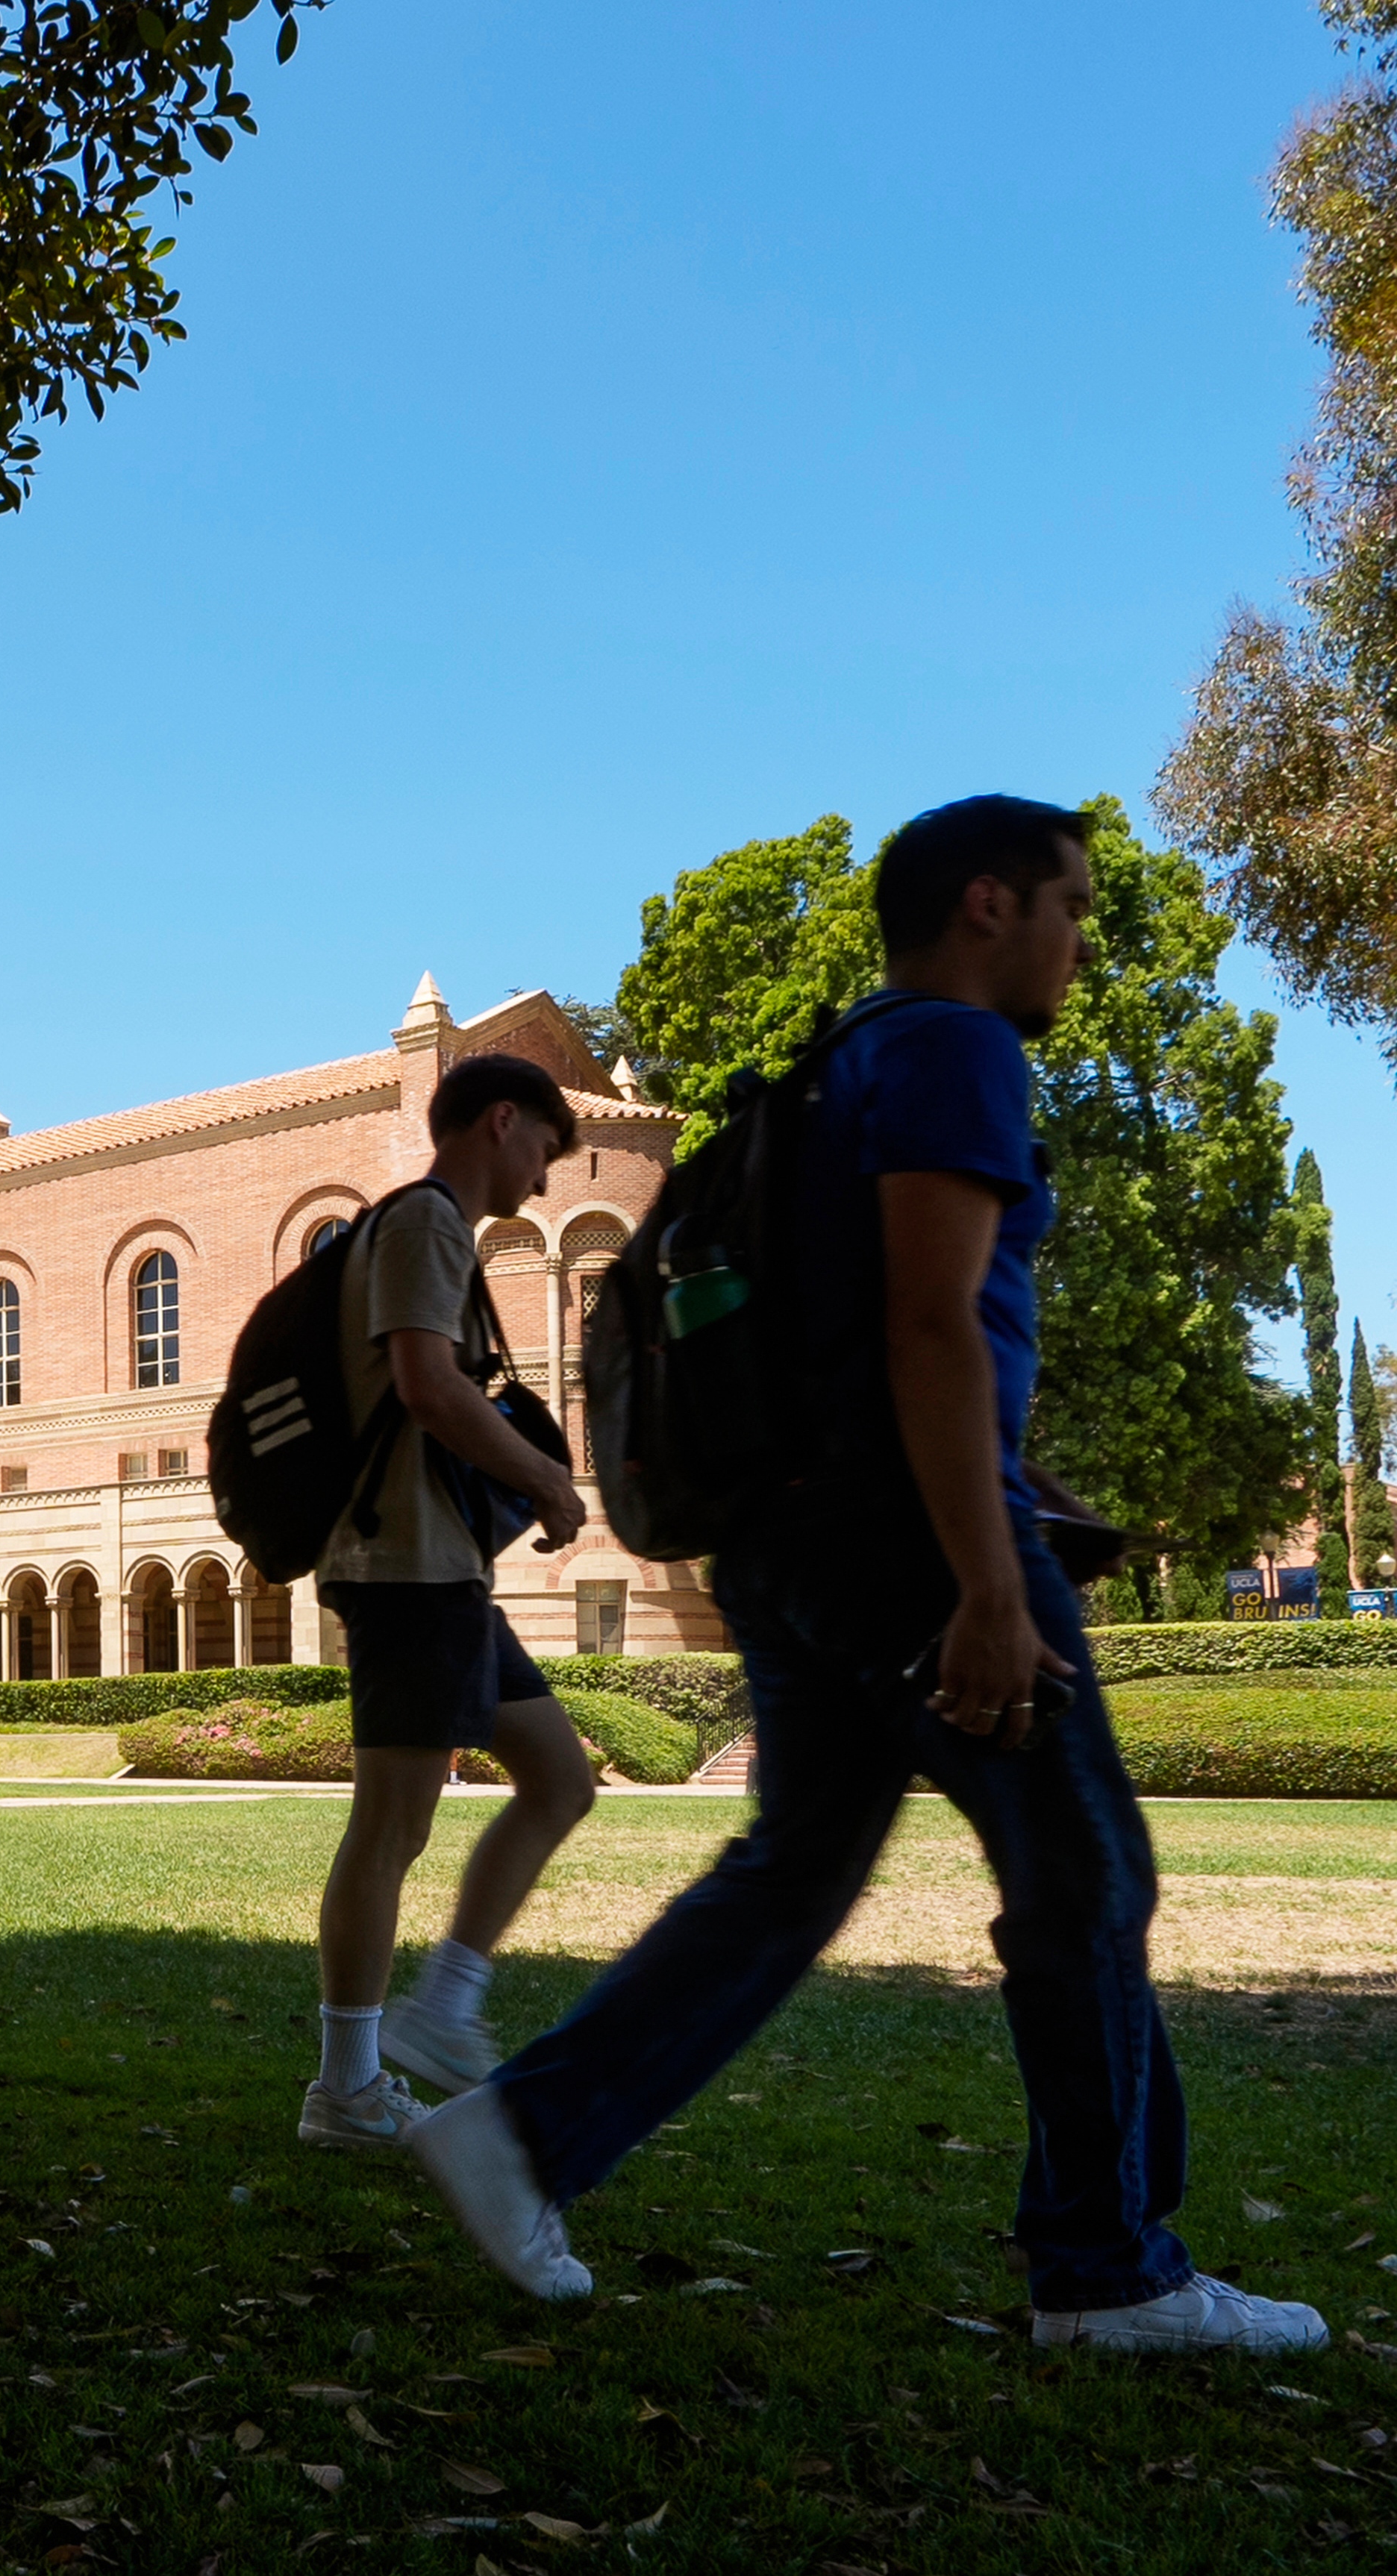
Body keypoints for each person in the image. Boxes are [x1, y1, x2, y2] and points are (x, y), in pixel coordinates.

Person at [412, 795, 1322, 2355]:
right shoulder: (954, 1048)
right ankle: (1106, 2269)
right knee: (1084, 1874)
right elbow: (926, 1323)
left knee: (795, 1868)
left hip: (786, 1537)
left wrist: (1008, 1477)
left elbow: (864, 1331)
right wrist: (985, 1574)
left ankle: (522, 2133)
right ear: (986, 903)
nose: (1080, 941)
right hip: (909, 1543)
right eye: (1068, 905)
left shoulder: (833, 1065)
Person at [293, 1054, 600, 2149]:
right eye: (544, 1150)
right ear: (501, 1121)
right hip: (406, 1569)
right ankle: (347, 2085)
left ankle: (444, 2004)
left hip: (445, 1572)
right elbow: (427, 1385)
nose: (546, 1177)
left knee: (561, 1777)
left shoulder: (433, 1231)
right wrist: (547, 1476)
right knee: (391, 1827)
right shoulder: (425, 1222)